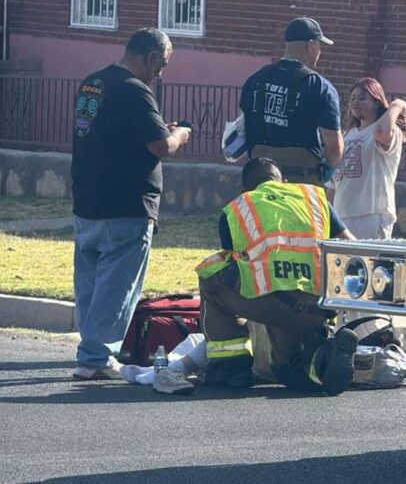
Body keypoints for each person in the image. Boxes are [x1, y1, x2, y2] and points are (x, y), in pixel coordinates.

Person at [70, 28, 192, 380]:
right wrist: (180, 134)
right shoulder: (136, 90)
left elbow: (111, 132)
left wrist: (158, 130)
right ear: (151, 57)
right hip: (127, 203)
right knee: (117, 287)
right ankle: (96, 358)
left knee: (90, 285)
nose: (160, 73)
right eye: (162, 65)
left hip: (88, 199)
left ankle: (89, 349)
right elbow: (161, 146)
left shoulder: (93, 83)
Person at [196, 158, 360, 395]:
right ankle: (324, 355)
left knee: (210, 275)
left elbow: (233, 263)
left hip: (274, 305)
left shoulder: (240, 207)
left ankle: (230, 367)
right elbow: (353, 247)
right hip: (318, 307)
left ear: (245, 189)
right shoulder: (315, 199)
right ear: (284, 181)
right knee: (288, 369)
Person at [240, 17, 343, 187]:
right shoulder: (319, 87)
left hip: (259, 181)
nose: (319, 52)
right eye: (319, 46)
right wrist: (327, 169)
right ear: (311, 45)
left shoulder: (255, 80)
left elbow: (242, 130)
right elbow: (334, 146)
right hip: (301, 182)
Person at [327, 77, 406, 239]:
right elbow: (333, 184)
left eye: (362, 98)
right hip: (341, 217)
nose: (356, 102)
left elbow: (381, 132)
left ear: (377, 102)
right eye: (353, 98)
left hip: (372, 215)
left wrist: (397, 105)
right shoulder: (347, 135)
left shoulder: (389, 132)